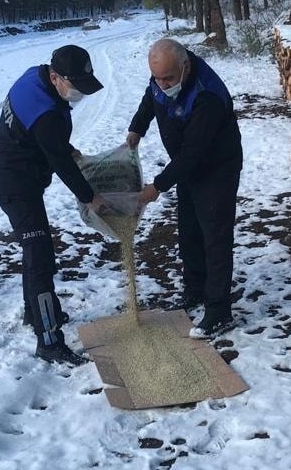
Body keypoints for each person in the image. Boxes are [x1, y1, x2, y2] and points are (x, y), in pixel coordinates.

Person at [0, 44, 110, 366]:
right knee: (40, 258)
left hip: (20, 177)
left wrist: (65, 148)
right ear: (55, 76)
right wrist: (90, 197)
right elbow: (58, 159)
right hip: (15, 186)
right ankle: (49, 339)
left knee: (35, 254)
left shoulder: (35, 77)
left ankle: (35, 313)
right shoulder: (44, 110)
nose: (78, 94)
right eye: (74, 86)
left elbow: (47, 140)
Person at [126, 38, 243, 337]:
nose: (163, 85)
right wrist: (137, 128)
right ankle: (194, 289)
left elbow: (193, 154)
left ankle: (218, 310)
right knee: (189, 230)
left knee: (214, 236)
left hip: (216, 166)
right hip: (186, 164)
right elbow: (150, 97)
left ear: (185, 67)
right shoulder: (163, 75)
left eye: (169, 78)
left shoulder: (207, 96)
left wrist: (157, 187)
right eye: (158, 78)